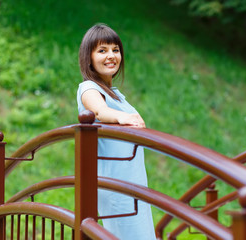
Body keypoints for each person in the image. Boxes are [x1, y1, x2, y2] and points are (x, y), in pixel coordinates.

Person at [76, 23, 156, 240]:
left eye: (115, 50)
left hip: (132, 181)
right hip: (115, 184)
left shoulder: (115, 95)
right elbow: (100, 111)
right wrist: (123, 117)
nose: (111, 56)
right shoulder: (89, 88)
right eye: (102, 50)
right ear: (89, 57)